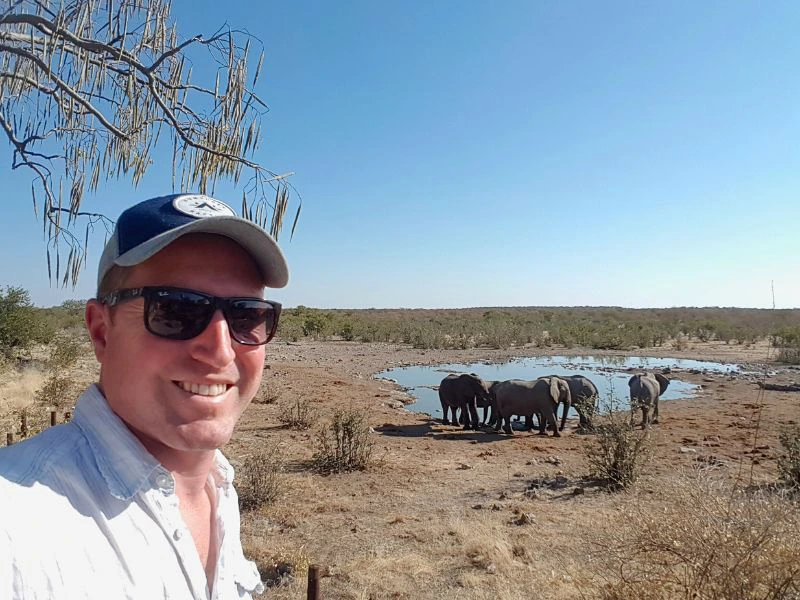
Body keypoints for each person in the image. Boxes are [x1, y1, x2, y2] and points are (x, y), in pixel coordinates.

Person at [0, 193, 289, 599]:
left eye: (246, 316)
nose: (221, 350)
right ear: (102, 330)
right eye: (176, 311)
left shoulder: (217, 488)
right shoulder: (17, 522)